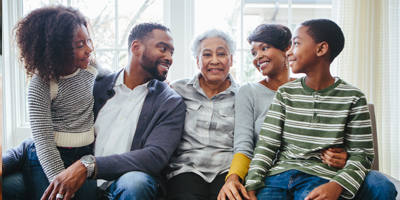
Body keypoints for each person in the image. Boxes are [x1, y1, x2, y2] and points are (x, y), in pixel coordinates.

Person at [244, 19, 390, 200]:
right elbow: (267, 145)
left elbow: (362, 154)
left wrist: (337, 185)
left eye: (296, 44)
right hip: (278, 177)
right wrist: (252, 183)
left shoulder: (354, 97)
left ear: (321, 49)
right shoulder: (285, 93)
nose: (289, 52)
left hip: (319, 177)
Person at [39, 22, 186, 200]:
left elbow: (154, 157)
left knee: (135, 182)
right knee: (10, 184)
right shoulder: (96, 86)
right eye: (163, 49)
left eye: (171, 52)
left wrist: (89, 166)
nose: (169, 57)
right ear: (136, 47)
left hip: (124, 184)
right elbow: (53, 129)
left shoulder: (170, 102)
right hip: (82, 183)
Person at [218, 23, 349, 200]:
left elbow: (332, 132)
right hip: (269, 176)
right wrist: (233, 178)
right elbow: (244, 145)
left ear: (287, 49)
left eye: (264, 48)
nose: (258, 57)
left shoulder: (311, 87)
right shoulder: (248, 92)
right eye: (254, 53)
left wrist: (343, 156)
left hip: (312, 174)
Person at [2, 5, 108, 200]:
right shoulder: (41, 84)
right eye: (80, 45)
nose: (89, 49)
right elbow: (44, 142)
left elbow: (114, 77)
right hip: (49, 155)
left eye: (88, 41)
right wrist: (59, 182)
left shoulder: (90, 67)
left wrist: (147, 79)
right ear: (58, 49)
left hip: (84, 156)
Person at [165, 29, 239, 200]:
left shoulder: (242, 95)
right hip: (187, 168)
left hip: (227, 170)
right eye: (207, 55)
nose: (215, 60)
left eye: (221, 54)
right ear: (198, 61)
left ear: (231, 60)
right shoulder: (178, 90)